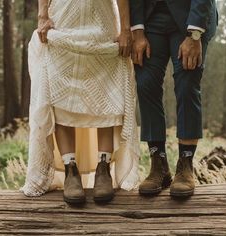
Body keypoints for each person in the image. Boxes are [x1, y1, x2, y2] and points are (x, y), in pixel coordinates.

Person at [21, 0, 139, 204]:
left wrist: (126, 28)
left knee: (106, 91)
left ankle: (104, 169)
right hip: (63, 18)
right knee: (61, 94)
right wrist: (42, 16)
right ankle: (70, 169)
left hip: (102, 21)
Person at [130, 0, 217, 197]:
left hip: (191, 20)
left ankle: (185, 165)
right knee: (145, 85)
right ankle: (158, 164)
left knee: (187, 86)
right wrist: (137, 30)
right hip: (150, 17)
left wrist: (194, 34)